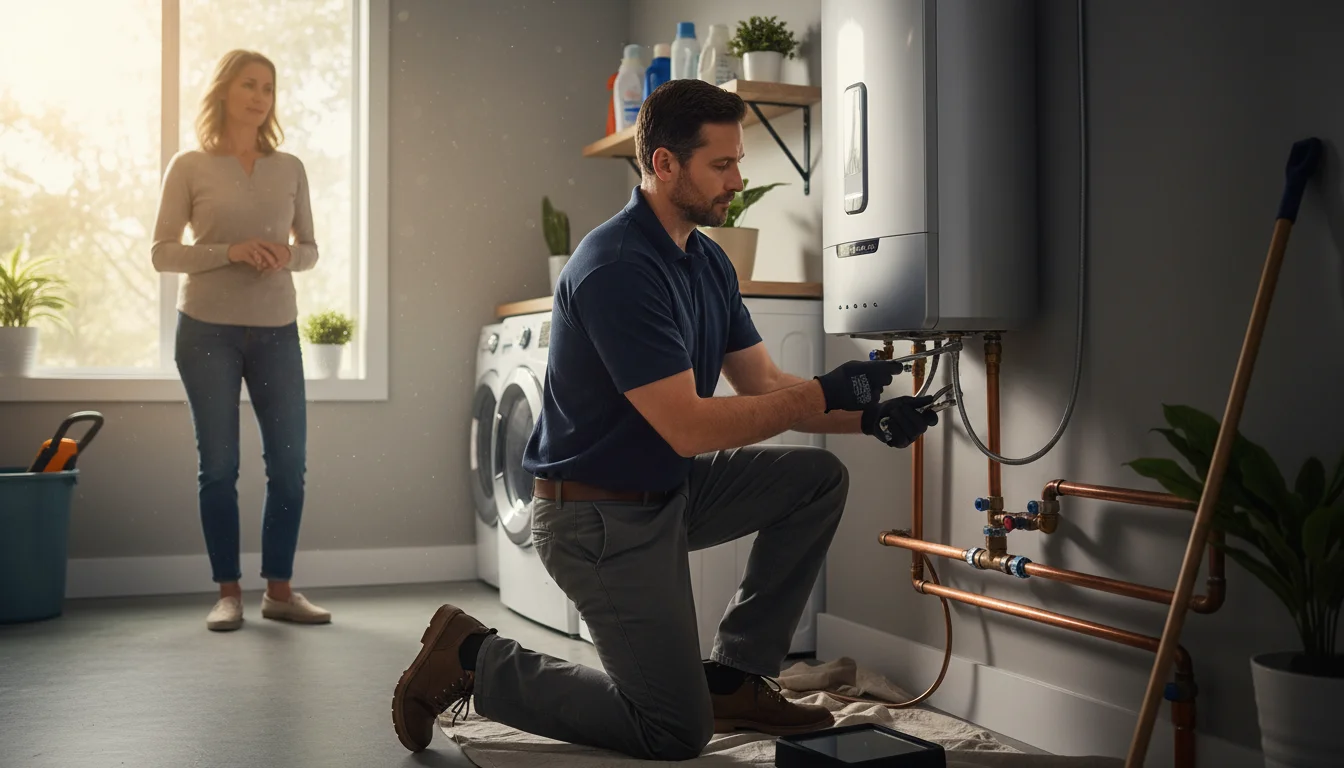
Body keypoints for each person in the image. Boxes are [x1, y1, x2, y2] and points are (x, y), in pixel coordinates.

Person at [390, 79, 938, 760]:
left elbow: (762, 382)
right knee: (675, 731)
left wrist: (867, 418)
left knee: (815, 478)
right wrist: (825, 392)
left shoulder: (707, 261)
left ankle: (736, 675)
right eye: (722, 164)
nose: (737, 180)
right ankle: (473, 658)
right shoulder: (618, 267)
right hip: (596, 521)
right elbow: (691, 428)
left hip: (668, 493)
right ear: (664, 165)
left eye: (739, 162)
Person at [151, 49, 329, 632]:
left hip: (277, 330)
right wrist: (227, 251)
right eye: (249, 85)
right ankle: (228, 592)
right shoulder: (189, 166)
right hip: (205, 330)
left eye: (269, 88)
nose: (260, 97)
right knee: (219, 466)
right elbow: (162, 253)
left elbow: (310, 250)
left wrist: (286, 254)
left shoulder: (290, 167)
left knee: (289, 464)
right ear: (225, 90)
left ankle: (279, 590)